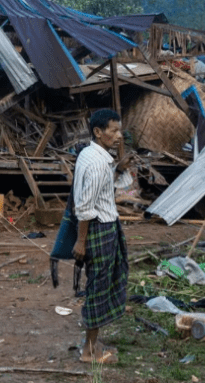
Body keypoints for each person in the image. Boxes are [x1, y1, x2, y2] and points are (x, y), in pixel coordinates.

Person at [72, 109, 133, 364]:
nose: (119, 136)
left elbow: (100, 191)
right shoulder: (97, 163)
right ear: (98, 132)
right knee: (98, 288)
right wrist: (81, 241)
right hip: (99, 229)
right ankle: (89, 352)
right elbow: (85, 207)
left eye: (119, 130)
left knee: (99, 284)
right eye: (114, 130)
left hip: (103, 226)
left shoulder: (91, 154)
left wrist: (119, 169)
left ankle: (92, 343)